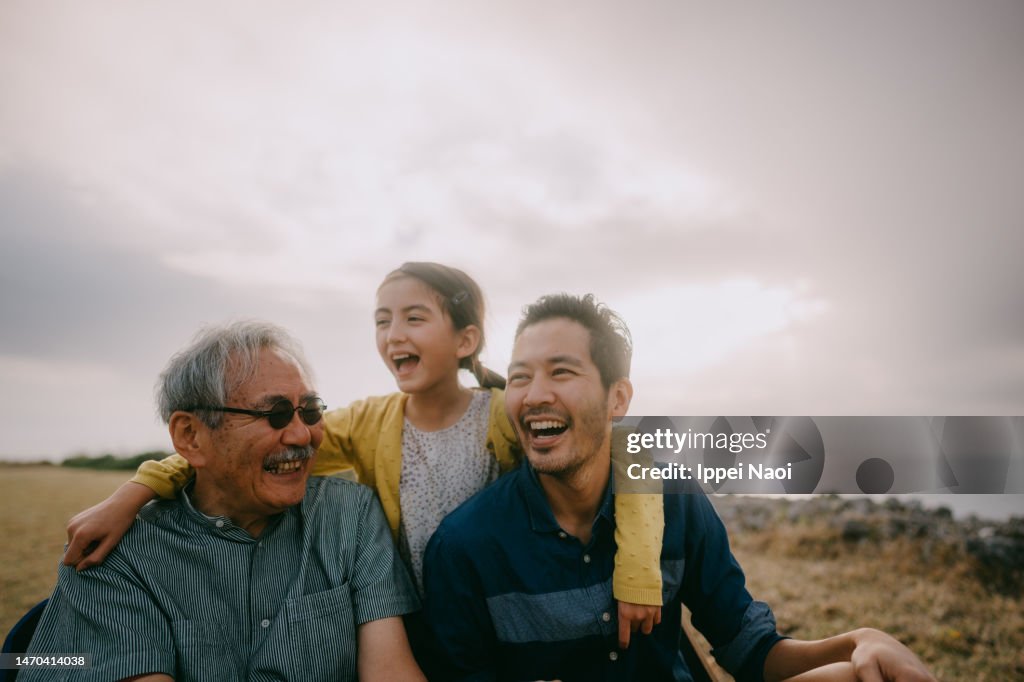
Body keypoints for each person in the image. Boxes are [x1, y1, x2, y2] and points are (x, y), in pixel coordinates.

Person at [61, 263, 665, 649]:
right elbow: (247, 447)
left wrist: (638, 572)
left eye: (414, 317)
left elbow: (634, 447)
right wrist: (134, 492)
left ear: (466, 340)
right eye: (382, 321)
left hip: (498, 620)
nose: (393, 333)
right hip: (405, 626)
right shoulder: (364, 422)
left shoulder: (506, 412)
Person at [422, 294, 937, 682]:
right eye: (519, 377)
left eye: (561, 372)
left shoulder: (672, 501)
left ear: (617, 398)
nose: (535, 395)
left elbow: (749, 649)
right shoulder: (464, 546)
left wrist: (857, 643)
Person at [24, 321, 424, 681]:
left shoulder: (349, 515)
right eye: (276, 413)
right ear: (191, 436)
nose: (302, 435)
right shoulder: (111, 553)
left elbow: (390, 670)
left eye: (310, 410)